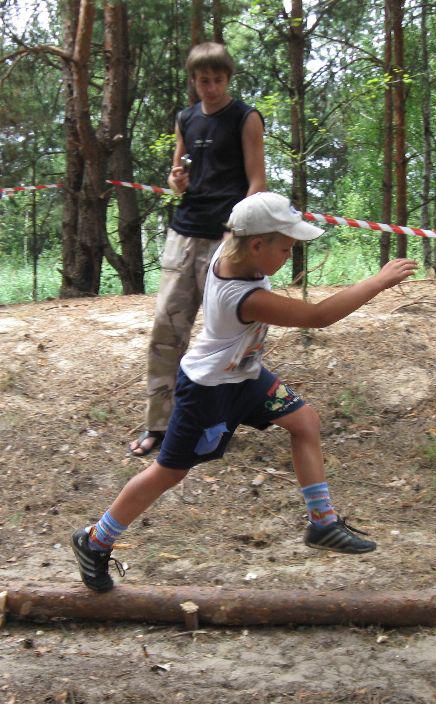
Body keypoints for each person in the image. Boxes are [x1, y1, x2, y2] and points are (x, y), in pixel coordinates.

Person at [74, 192, 418, 591]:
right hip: (208, 390)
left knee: (304, 421)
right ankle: (95, 540)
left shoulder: (233, 248)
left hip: (245, 376)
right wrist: (377, 281)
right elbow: (318, 316)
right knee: (169, 472)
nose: (290, 255)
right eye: (286, 248)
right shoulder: (243, 296)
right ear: (256, 246)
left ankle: (323, 523)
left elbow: (240, 218)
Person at [129, 41, 267, 457]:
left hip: (226, 238)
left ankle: (222, 421)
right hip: (183, 233)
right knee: (165, 330)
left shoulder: (245, 117)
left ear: (228, 78)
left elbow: (257, 181)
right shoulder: (185, 119)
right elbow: (178, 177)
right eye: (203, 80)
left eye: (218, 80)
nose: (211, 87)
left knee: (230, 335)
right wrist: (176, 181)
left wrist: (236, 232)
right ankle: (159, 424)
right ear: (193, 80)